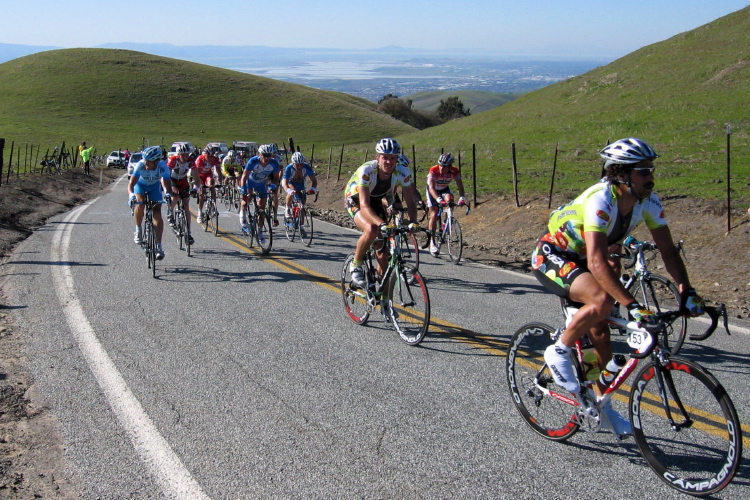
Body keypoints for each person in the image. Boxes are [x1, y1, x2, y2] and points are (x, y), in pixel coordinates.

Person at [531, 137, 705, 437]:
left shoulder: (648, 202)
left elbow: (667, 251)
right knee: (603, 300)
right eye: (643, 171)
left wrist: (686, 290)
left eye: (651, 169)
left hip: (586, 259)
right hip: (555, 256)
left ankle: (601, 404)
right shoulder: (601, 199)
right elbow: (597, 261)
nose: (650, 177)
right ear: (621, 174)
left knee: (602, 335)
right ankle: (558, 351)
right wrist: (633, 305)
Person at [344, 138, 419, 286]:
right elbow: (365, 205)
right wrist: (382, 223)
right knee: (372, 229)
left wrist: (413, 221)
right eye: (385, 157)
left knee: (383, 254)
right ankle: (356, 264)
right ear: (377, 158)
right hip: (356, 199)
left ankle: (384, 299)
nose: (388, 162)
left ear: (397, 159)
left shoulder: (403, 172)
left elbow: (410, 201)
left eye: (392, 158)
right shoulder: (367, 171)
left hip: (377, 199)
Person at [128, 146, 172, 260]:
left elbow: (167, 185)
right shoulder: (140, 165)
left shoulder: (163, 167)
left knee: (157, 212)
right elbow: (131, 185)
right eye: (145, 161)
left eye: (149, 162)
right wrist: (131, 196)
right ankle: (138, 229)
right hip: (140, 186)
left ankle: (158, 245)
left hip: (154, 187)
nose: (146, 164)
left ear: (156, 161)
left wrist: (168, 194)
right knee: (141, 203)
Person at [424, 153, 466, 256]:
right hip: (432, 191)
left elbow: (460, 185)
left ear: (450, 166)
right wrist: (438, 199)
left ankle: (447, 221)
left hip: (444, 189)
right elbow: (431, 188)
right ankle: (432, 242)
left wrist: (462, 198)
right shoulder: (433, 170)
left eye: (444, 166)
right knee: (433, 214)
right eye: (440, 165)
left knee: (450, 200)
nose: (441, 168)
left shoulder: (455, 171)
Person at [239, 144, 281, 245]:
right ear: (259, 154)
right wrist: (244, 190)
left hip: (261, 184)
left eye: (269, 155)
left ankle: (260, 232)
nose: (266, 158)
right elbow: (244, 176)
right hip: (250, 182)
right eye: (264, 155)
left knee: (262, 208)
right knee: (246, 202)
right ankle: (243, 215)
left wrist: (273, 187)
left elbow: (276, 178)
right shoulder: (253, 161)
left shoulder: (274, 163)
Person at [166, 143, 201, 245]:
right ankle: (170, 213)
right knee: (175, 197)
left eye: (187, 154)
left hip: (183, 182)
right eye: (183, 155)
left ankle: (189, 233)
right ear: (178, 154)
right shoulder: (173, 160)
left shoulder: (190, 161)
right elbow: (166, 176)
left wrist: (196, 188)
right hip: (172, 180)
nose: (186, 157)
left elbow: (196, 178)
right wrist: (171, 186)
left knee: (186, 204)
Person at [281, 151, 317, 218]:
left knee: (302, 205)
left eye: (301, 164)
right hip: (290, 182)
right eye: (297, 164)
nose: (300, 166)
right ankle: (287, 208)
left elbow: (314, 181)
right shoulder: (289, 168)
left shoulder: (306, 167)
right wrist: (289, 190)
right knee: (292, 190)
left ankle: (301, 225)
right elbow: (285, 183)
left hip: (301, 183)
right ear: (293, 163)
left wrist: (313, 189)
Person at [194, 146, 221, 223]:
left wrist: (220, 180)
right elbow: (197, 174)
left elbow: (218, 170)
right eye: (208, 156)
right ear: (205, 155)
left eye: (211, 156)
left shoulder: (215, 159)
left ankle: (213, 207)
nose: (210, 158)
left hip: (208, 174)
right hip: (200, 175)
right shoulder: (200, 159)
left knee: (212, 184)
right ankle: (199, 213)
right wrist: (199, 185)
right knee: (202, 193)